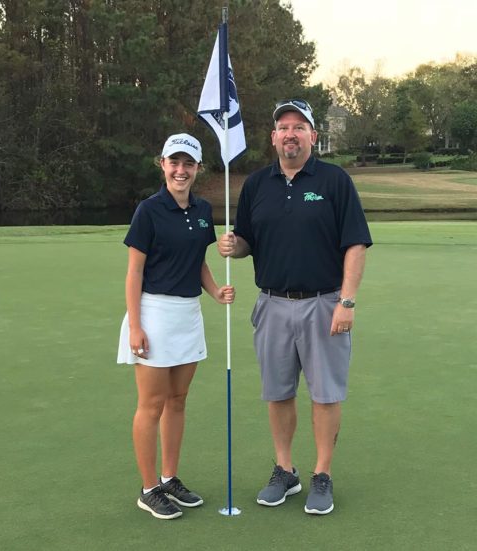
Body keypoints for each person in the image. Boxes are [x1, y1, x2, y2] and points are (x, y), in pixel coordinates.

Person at [218, 100, 372, 515]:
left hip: (324, 303)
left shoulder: (334, 181)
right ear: (273, 137)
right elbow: (248, 241)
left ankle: (322, 475)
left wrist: (347, 301)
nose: (291, 133)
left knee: (325, 394)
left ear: (312, 136)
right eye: (284, 127)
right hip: (271, 304)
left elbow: (355, 244)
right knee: (278, 392)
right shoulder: (256, 185)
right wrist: (234, 245)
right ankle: (285, 471)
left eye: (299, 126)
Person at [117, 133, 234, 520]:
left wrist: (215, 292)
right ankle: (148, 488)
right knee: (151, 405)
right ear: (163, 164)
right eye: (174, 162)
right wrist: (135, 326)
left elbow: (198, 261)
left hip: (188, 314)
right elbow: (134, 272)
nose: (180, 170)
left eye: (188, 164)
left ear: (198, 168)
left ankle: (169, 478)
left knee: (178, 400)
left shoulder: (202, 210)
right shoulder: (149, 210)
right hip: (154, 313)